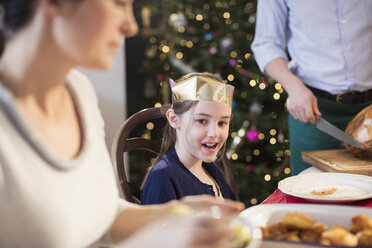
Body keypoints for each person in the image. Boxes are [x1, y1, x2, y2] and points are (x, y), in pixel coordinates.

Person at [0, 1, 244, 247]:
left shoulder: (80, 92)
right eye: (119, 3)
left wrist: (174, 213)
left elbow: (99, 217)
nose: (131, 26)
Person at [251, 0, 372, 175]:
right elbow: (265, 44)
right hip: (313, 111)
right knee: (313, 195)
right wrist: (294, 87)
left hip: (369, 109)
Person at [141, 73, 237, 205]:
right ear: (174, 119)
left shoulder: (210, 169)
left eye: (222, 123)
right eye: (202, 121)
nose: (214, 133)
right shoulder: (162, 179)